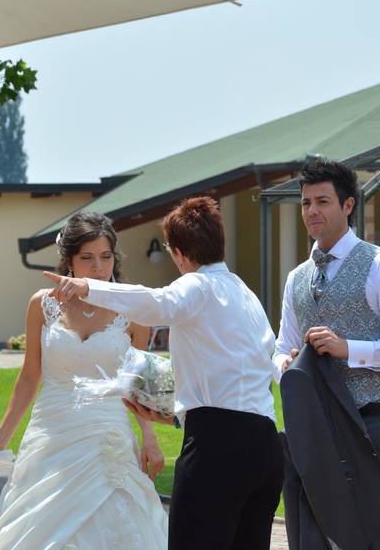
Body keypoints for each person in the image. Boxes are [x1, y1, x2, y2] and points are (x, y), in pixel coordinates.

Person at [45, 197, 282, 550]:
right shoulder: (245, 294)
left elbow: (155, 303)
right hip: (266, 445)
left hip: (217, 447)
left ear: (179, 252)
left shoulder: (196, 286)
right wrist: (173, 416)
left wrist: (88, 287)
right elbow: (250, 367)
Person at [0, 212, 168, 550]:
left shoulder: (133, 310)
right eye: (87, 258)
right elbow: (29, 376)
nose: (98, 268)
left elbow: (135, 383)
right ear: (70, 262)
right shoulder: (42, 305)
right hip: (52, 432)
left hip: (107, 433)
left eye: (105, 257)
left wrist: (149, 437)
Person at [272, 156, 380, 548]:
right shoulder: (296, 278)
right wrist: (287, 366)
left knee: (377, 539)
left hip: (368, 425)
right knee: (309, 538)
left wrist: (349, 349)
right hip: (310, 430)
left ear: (347, 205)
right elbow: (279, 349)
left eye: (322, 201)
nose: (312, 211)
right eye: (306, 202)